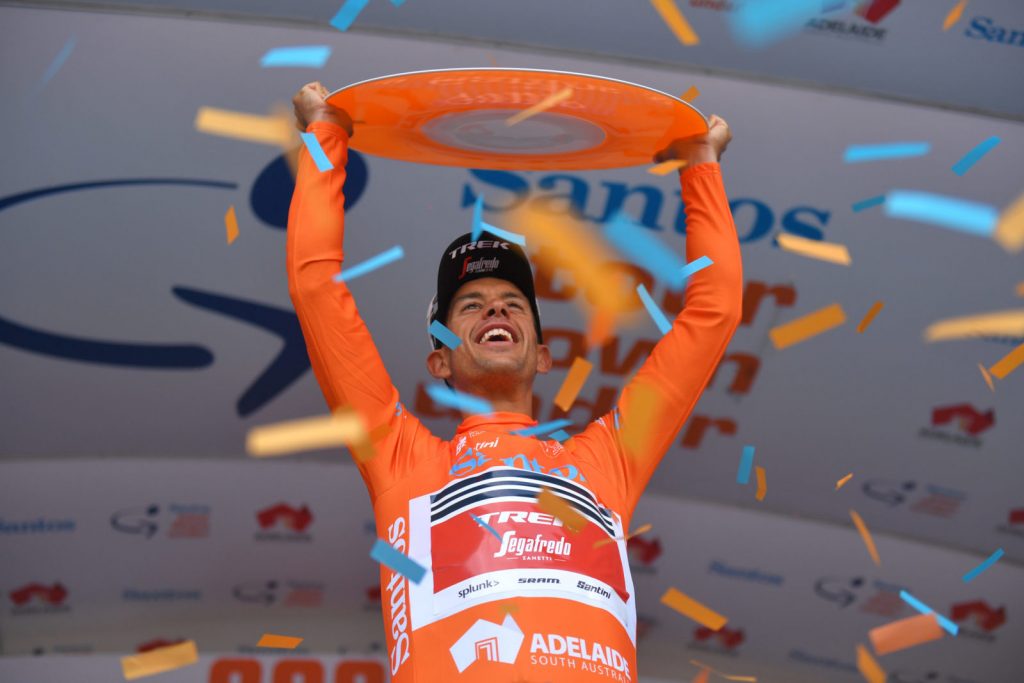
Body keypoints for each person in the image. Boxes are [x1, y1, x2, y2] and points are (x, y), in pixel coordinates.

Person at [289, 80, 742, 683]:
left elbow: (715, 316)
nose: (495, 311)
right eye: (470, 306)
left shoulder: (608, 461)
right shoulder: (400, 458)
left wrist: (701, 167)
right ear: (440, 362)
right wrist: (324, 135)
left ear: (545, 356)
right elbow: (316, 290)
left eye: (512, 303)